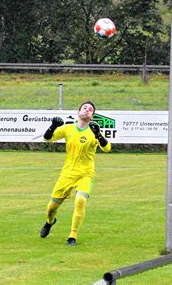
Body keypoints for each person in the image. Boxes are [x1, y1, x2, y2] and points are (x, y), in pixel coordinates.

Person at [40, 101, 111, 246]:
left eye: (90, 110)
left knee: (80, 200)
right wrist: (53, 125)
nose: (87, 110)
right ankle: (49, 222)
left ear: (92, 116)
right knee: (51, 208)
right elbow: (47, 138)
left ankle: (72, 236)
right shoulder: (68, 128)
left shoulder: (94, 131)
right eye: (84, 108)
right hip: (67, 174)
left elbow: (107, 148)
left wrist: (99, 135)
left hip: (86, 174)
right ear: (78, 112)